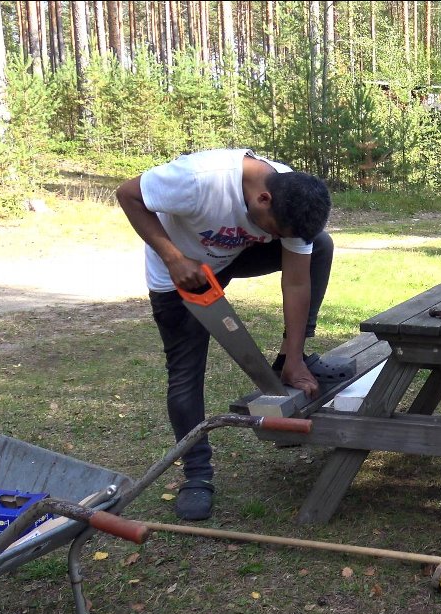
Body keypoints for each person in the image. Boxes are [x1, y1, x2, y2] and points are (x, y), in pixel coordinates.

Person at [117, 148, 342, 520]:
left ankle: (289, 360)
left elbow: (297, 282)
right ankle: (197, 476)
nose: (272, 236)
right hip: (180, 274)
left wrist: (296, 357)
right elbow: (128, 194)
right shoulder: (197, 179)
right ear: (262, 197)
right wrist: (173, 257)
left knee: (320, 245)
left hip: (230, 256)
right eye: (272, 230)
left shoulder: (291, 196)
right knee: (186, 373)